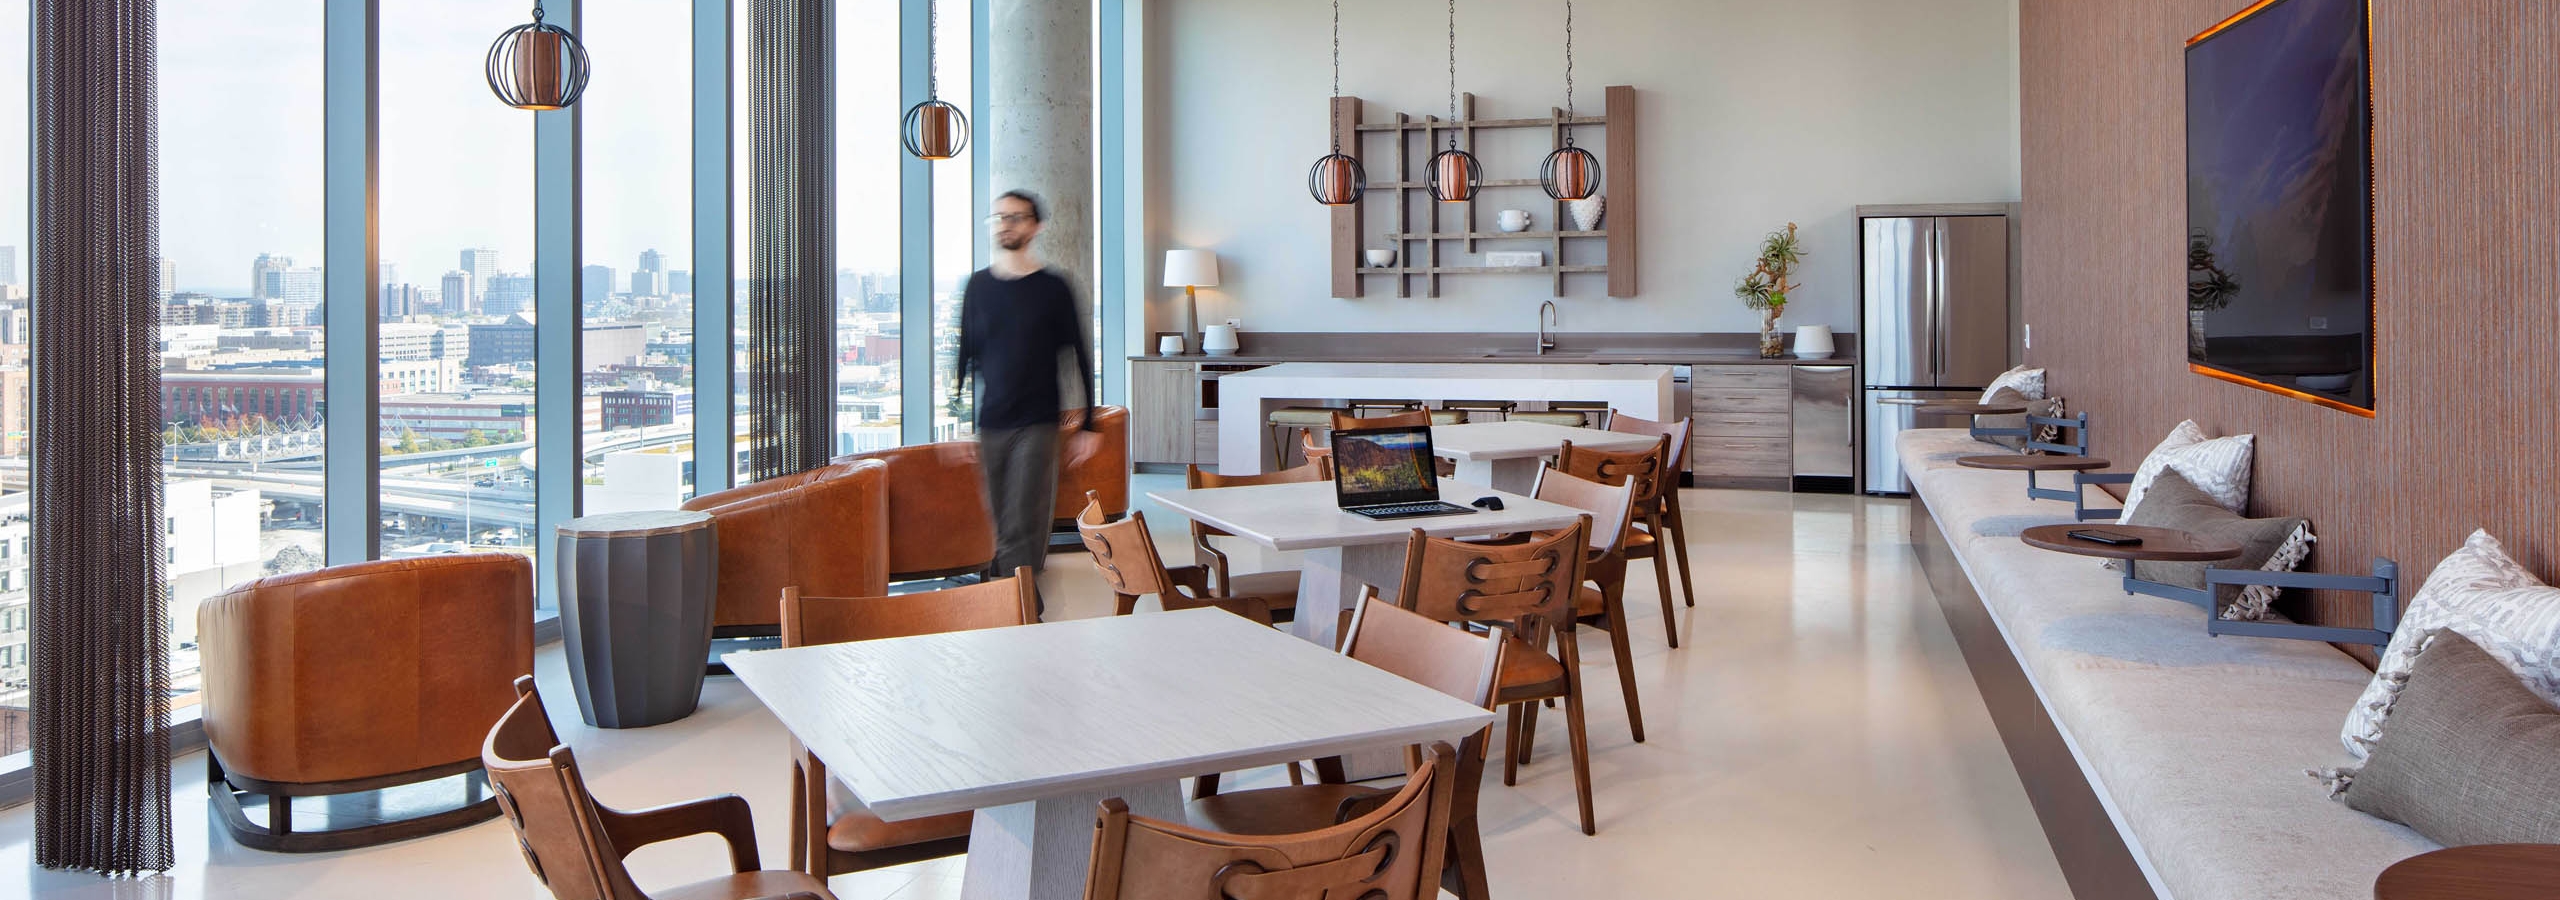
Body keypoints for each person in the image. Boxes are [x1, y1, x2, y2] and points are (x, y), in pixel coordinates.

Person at [955, 189, 1097, 588]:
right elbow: (966, 356)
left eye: (1015, 217)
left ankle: (1017, 608)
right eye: (999, 217)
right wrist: (963, 420)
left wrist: (1088, 424)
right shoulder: (977, 286)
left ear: (1037, 226)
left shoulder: (1054, 288)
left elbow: (1079, 356)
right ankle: (1016, 597)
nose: (1005, 224)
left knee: (1021, 518)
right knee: (1002, 522)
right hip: (992, 422)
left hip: (1037, 422)